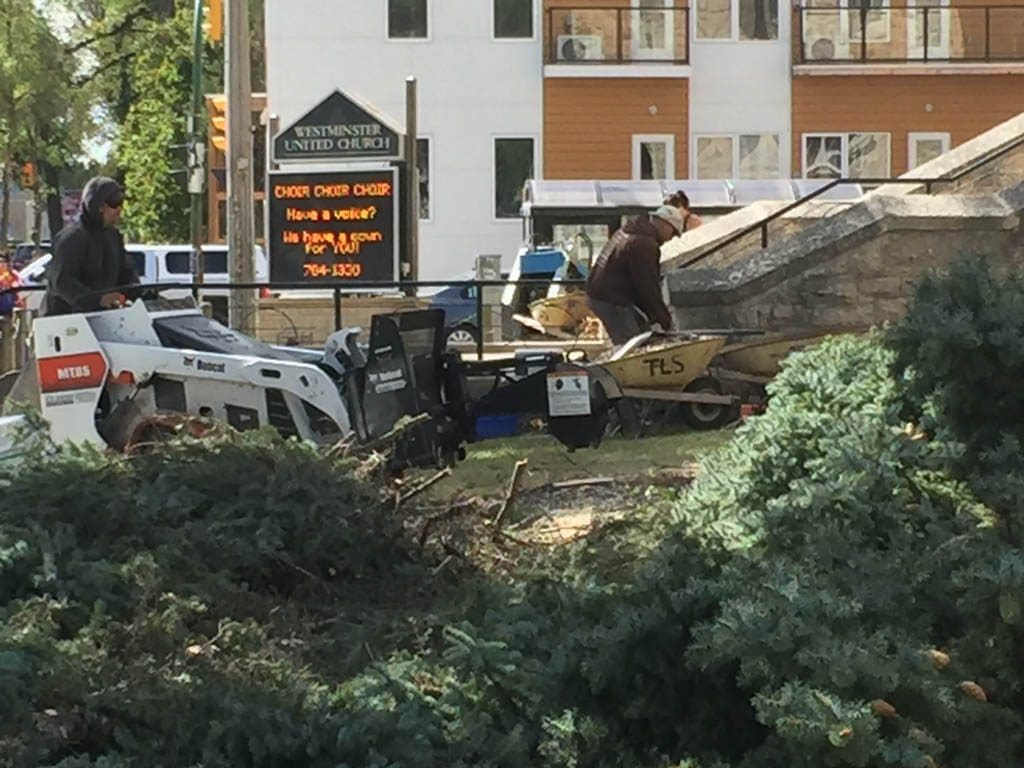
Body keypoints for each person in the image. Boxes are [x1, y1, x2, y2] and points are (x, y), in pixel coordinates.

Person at [586, 205, 685, 345]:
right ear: (665, 225)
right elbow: (648, 288)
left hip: (602, 294)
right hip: (611, 299)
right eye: (673, 232)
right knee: (632, 345)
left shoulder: (631, 231)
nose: (671, 238)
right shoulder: (644, 244)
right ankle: (624, 366)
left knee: (642, 335)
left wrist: (655, 317)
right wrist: (664, 321)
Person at [45, 176, 138, 316]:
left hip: (102, 318)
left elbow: (126, 273)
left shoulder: (113, 236)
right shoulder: (71, 238)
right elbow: (63, 282)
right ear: (98, 206)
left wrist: (140, 292)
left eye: (121, 203)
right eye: (114, 203)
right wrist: (99, 300)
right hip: (66, 322)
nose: (119, 209)